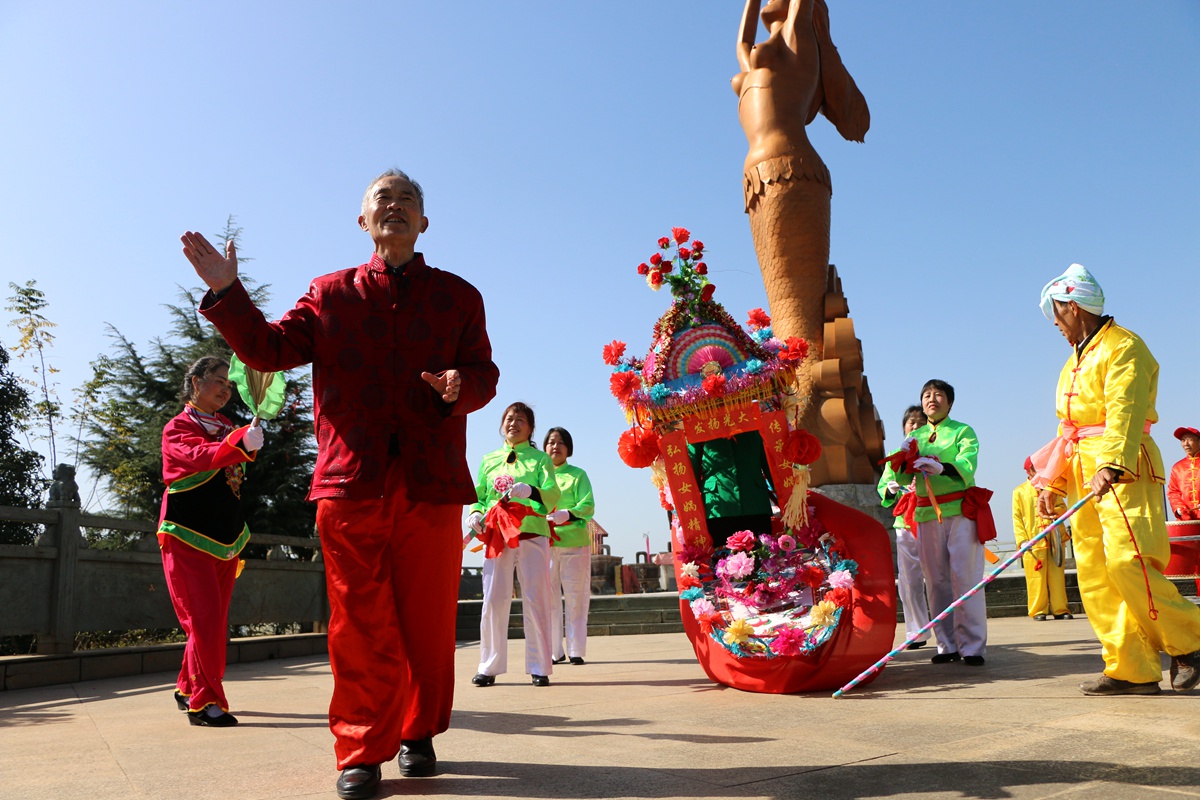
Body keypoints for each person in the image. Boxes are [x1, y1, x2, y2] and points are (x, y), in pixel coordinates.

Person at [181, 169, 499, 799]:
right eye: (383, 198)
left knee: (427, 623)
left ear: (424, 222)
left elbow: (484, 372)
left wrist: (464, 387)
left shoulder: (459, 297)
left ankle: (417, 732)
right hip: (350, 484)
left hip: (430, 483)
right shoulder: (329, 295)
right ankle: (360, 750)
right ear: (363, 221)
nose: (396, 206)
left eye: (408, 200)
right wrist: (228, 293)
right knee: (358, 621)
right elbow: (269, 351)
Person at [1033, 263, 1200, 696]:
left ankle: (1192, 641)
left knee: (1130, 562)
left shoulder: (1125, 346)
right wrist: (1051, 484)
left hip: (1123, 468)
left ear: (1072, 307)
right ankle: (1130, 668)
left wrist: (1113, 462)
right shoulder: (1074, 359)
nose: (1053, 322)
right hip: (1081, 472)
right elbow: (1065, 428)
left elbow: (1125, 412)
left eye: (1055, 312)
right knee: (1094, 574)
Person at [157, 356, 263, 727]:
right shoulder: (178, 428)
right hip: (186, 534)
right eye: (219, 381)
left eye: (230, 385)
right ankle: (205, 702)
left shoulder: (227, 426)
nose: (225, 389)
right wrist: (239, 442)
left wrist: (242, 440)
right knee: (201, 620)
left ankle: (188, 686)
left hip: (225, 537)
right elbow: (197, 457)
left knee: (214, 621)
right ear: (197, 382)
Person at [894, 379, 992, 667]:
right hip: (925, 515)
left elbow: (967, 463)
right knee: (935, 581)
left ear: (949, 402)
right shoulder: (917, 436)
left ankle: (972, 647)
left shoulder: (963, 431)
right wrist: (900, 461)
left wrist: (943, 467)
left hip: (960, 510)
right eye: (926, 394)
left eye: (938, 394)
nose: (931, 398)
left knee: (966, 577)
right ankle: (945, 644)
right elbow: (899, 478)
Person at [468, 402, 562, 687]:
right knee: (494, 599)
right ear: (502, 424)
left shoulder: (540, 460)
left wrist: (531, 490)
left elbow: (552, 493)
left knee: (536, 598)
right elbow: (479, 493)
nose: (513, 423)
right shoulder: (488, 459)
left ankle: (540, 666)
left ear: (530, 428)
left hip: (531, 533)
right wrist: (474, 511)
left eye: (520, 420)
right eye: (509, 418)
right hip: (497, 535)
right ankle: (489, 665)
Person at [878, 405, 932, 649]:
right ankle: (916, 632)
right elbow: (883, 488)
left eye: (921, 422)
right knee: (909, 582)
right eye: (911, 422)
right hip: (905, 522)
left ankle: (948, 633)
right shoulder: (894, 456)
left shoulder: (934, 452)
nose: (915, 426)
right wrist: (889, 490)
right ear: (903, 428)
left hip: (932, 519)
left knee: (938, 579)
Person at [543, 427, 596, 666]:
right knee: (549, 599)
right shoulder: (539, 476)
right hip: (545, 544)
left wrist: (569, 513)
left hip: (574, 544)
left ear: (569, 449)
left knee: (576, 598)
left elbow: (588, 505)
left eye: (561, 443)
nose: (556, 447)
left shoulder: (578, 475)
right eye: (551, 442)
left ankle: (576, 650)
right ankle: (555, 651)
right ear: (544, 447)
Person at [689, 431, 774, 551]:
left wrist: (789, 501)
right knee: (722, 564)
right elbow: (691, 470)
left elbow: (771, 464)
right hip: (719, 507)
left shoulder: (754, 420)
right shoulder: (698, 425)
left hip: (755, 503)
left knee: (764, 559)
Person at [1012, 457, 1071, 621]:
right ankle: (1038, 610)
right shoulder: (1019, 492)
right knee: (1035, 577)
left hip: (1054, 539)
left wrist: (1052, 513)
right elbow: (1017, 518)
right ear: (1029, 471)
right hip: (1033, 541)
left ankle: (1060, 609)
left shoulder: (1051, 488)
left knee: (1057, 575)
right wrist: (1022, 540)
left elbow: (1062, 507)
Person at [1167, 426, 1200, 521]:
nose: (1186, 444)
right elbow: (1173, 492)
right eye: (1182, 440)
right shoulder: (1177, 467)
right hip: (1187, 520)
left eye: (1190, 440)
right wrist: (1179, 508)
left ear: (1199, 441)